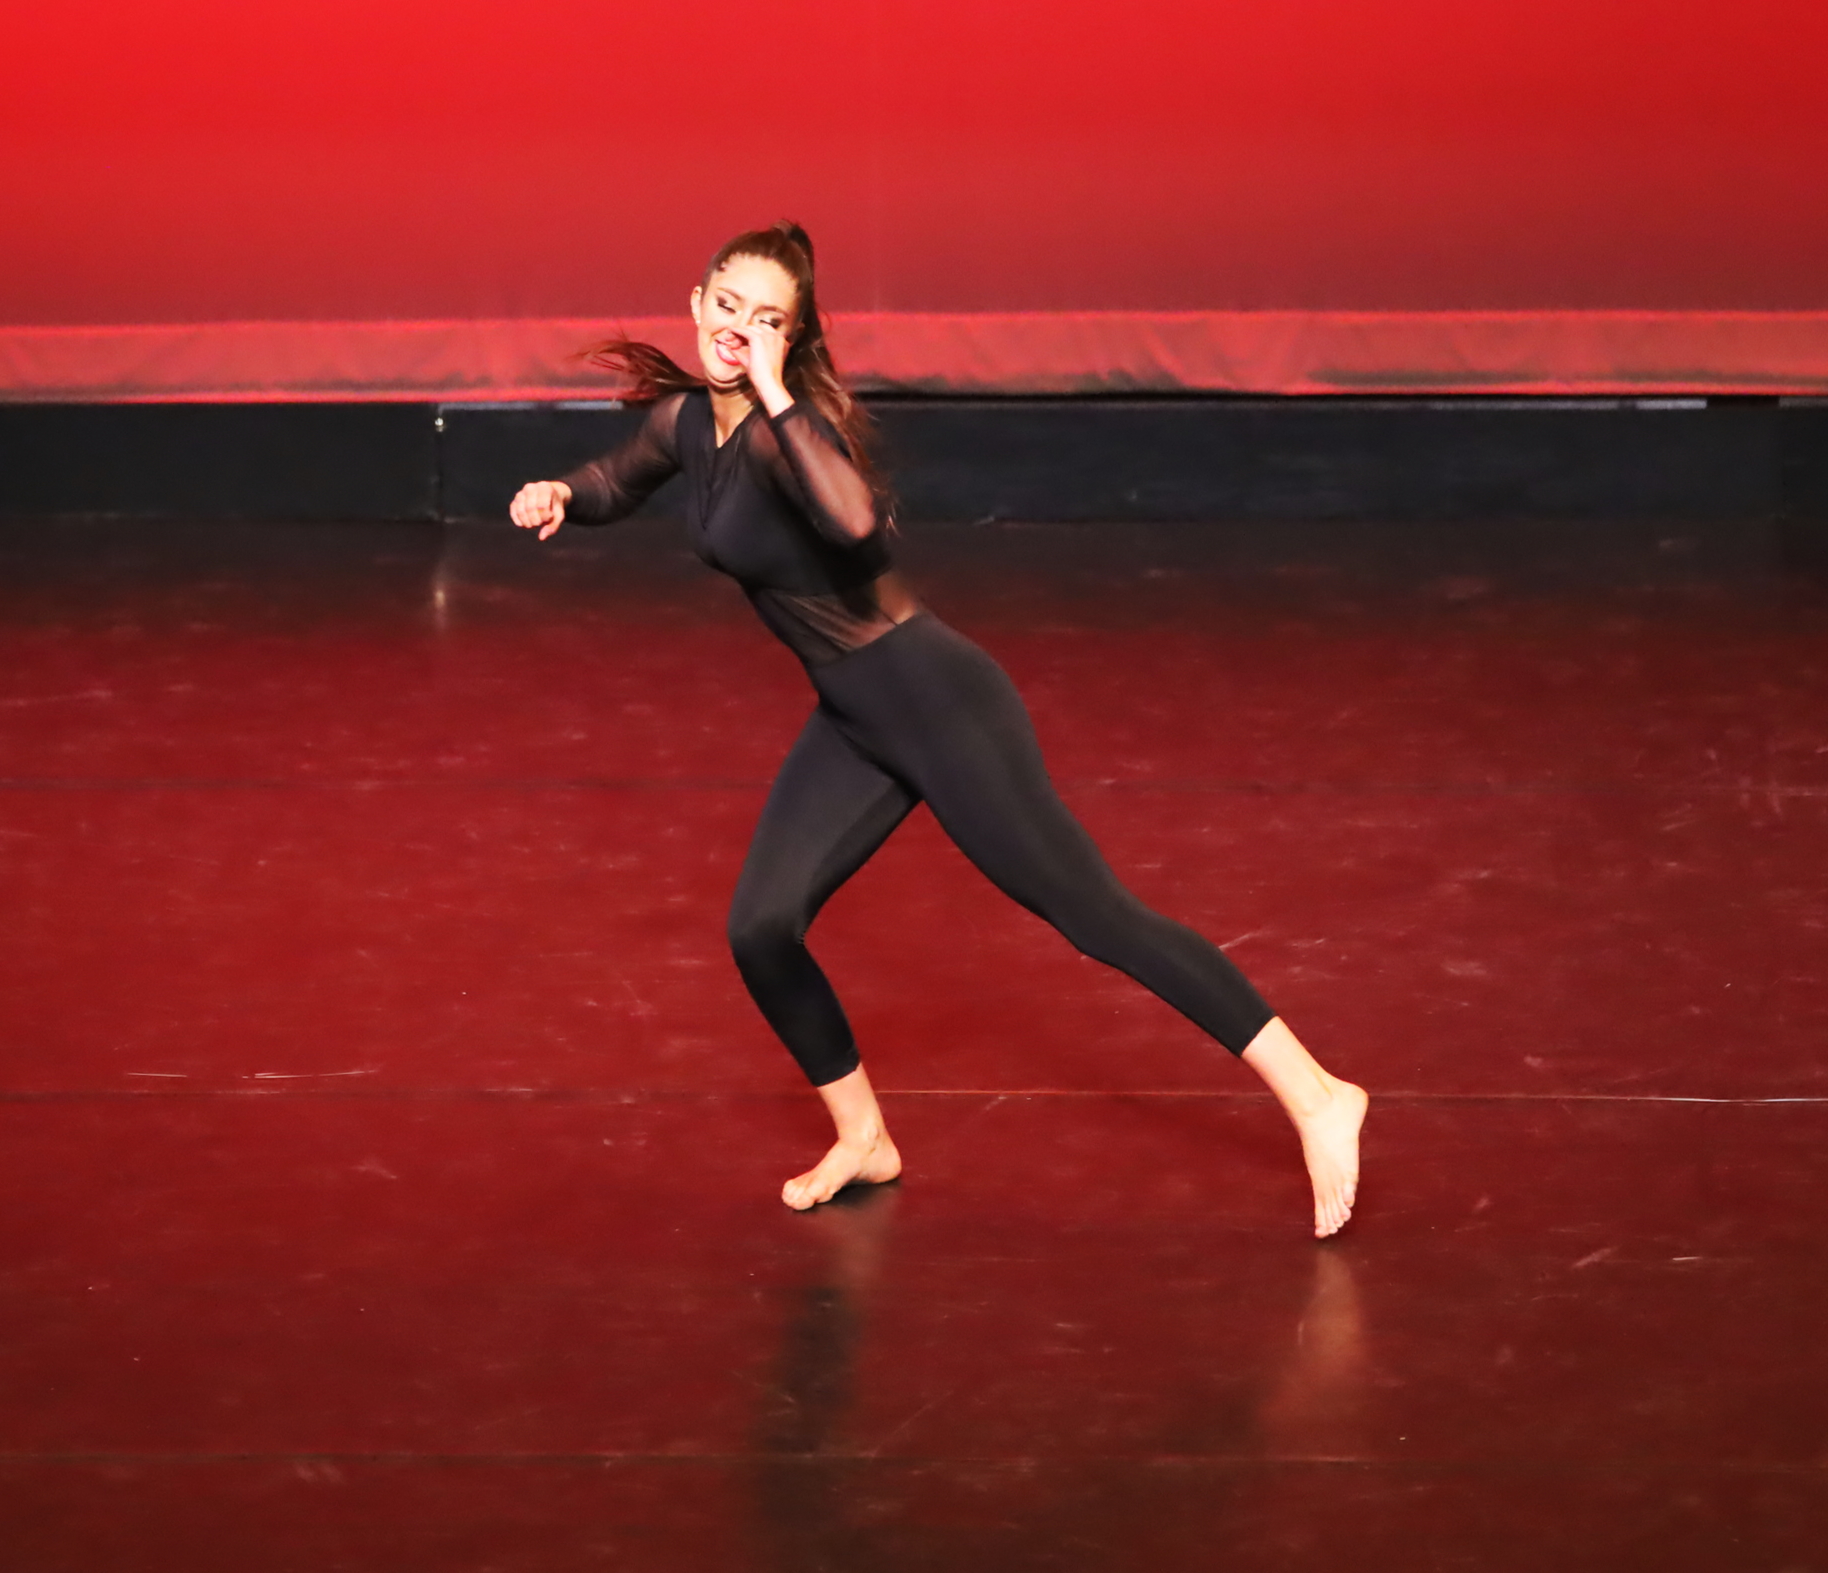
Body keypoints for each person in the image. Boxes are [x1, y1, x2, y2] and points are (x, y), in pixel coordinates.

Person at [510, 224, 1366, 1237]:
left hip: (937, 699)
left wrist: (778, 392)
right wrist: (565, 493)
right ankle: (863, 1137)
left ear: (793, 338)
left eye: (768, 320)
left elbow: (852, 524)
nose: (738, 330)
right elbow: (618, 479)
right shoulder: (686, 423)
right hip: (852, 715)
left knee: (1092, 914)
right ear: (694, 304)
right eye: (727, 306)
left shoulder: (791, 436)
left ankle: (1318, 1093)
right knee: (760, 927)